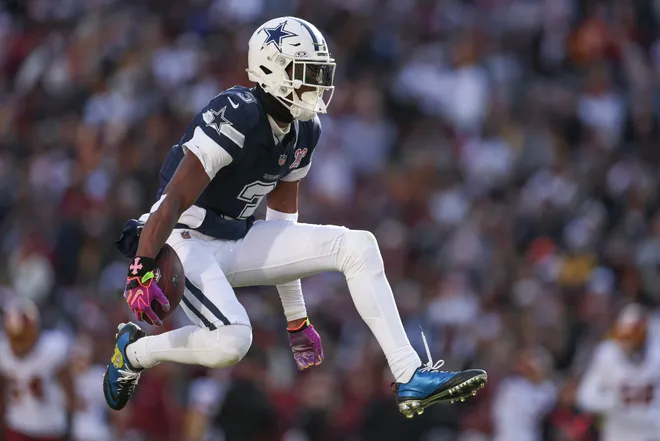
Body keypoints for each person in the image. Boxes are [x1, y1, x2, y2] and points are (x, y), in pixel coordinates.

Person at [103, 16, 487, 418]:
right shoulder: (237, 113)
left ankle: (409, 375)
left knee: (358, 246)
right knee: (233, 342)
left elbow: (285, 230)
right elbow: (175, 199)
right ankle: (135, 352)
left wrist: (296, 318)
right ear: (271, 70)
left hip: (235, 238)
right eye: (307, 73)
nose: (317, 85)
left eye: (320, 74)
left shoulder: (305, 130)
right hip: (183, 238)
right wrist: (142, 266)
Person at [576, 303, 660, 441]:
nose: (628, 342)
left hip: (652, 432)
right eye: (624, 336)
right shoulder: (606, 355)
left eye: (633, 336)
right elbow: (585, 397)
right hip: (619, 433)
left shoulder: (657, 355)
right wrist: (612, 402)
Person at [0, 299, 76, 441]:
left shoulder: (53, 349)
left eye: (24, 338)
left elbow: (70, 392)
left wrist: (70, 425)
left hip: (49, 426)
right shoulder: (3, 351)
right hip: (16, 423)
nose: (20, 346)